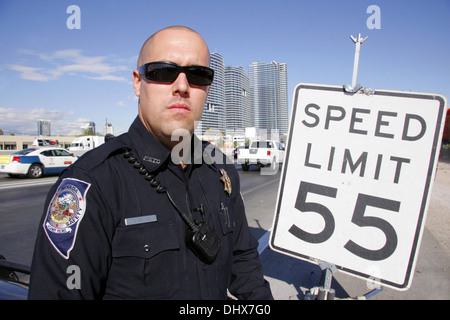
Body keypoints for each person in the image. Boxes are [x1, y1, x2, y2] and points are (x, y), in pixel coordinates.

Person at [28, 26, 273, 300]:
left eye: (197, 75)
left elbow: (244, 262)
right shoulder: (93, 182)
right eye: (163, 72)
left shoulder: (220, 168)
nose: (182, 86)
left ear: (208, 88)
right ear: (137, 82)